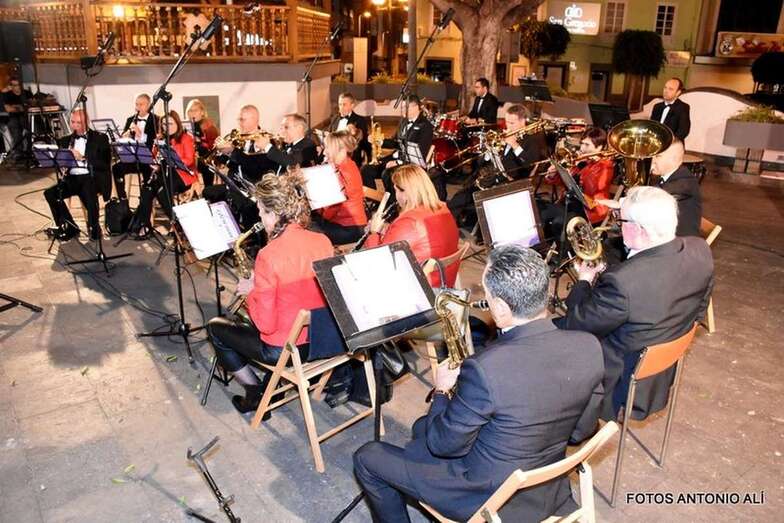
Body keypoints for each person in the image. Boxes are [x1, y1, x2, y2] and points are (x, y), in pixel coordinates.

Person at [353, 245, 604, 523]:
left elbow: (444, 447)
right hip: (547, 484)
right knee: (421, 427)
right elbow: (580, 432)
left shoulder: (487, 368)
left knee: (369, 457)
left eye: (488, 295)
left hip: (488, 497)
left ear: (500, 307)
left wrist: (441, 390)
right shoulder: (589, 346)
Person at [556, 186, 714, 422]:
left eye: (622, 220)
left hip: (619, 381)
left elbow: (575, 323)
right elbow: (699, 308)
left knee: (548, 336)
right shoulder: (700, 249)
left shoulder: (624, 282)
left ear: (639, 229)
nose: (618, 225)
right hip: (661, 368)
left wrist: (585, 281)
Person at [206, 171, 334, 414]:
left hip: (284, 349)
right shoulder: (323, 241)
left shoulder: (268, 254)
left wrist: (252, 291)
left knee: (215, 327)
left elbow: (265, 324)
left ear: (275, 213)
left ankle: (256, 393)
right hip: (320, 340)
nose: (261, 219)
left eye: (263, 213)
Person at [365, 164, 459, 287]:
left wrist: (373, 233)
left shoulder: (409, 222)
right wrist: (387, 229)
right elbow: (418, 237)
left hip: (419, 288)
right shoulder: (443, 208)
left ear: (406, 193)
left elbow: (379, 262)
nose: (396, 196)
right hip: (444, 281)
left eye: (396, 190)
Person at [202, 105, 276, 230]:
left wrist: (232, 151)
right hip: (235, 184)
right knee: (209, 192)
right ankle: (226, 231)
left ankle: (243, 234)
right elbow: (225, 162)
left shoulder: (265, 140)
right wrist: (220, 152)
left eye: (243, 119)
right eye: (239, 119)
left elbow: (254, 168)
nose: (239, 123)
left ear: (255, 120)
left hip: (253, 188)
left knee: (241, 204)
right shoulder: (238, 138)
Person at [44, 109, 111, 241]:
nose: (74, 126)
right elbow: (60, 164)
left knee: (89, 193)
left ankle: (94, 226)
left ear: (86, 122)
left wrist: (83, 158)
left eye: (78, 123)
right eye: (72, 122)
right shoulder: (65, 140)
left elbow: (104, 164)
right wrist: (62, 166)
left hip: (91, 177)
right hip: (72, 178)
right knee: (50, 194)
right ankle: (69, 227)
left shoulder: (100, 138)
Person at [539, 126, 614, 239]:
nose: (582, 148)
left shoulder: (605, 165)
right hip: (571, 203)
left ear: (599, 147)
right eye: (582, 143)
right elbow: (563, 183)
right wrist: (553, 174)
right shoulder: (582, 161)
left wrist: (582, 166)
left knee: (559, 223)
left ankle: (566, 253)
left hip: (591, 208)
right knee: (541, 210)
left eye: (587, 145)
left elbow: (592, 188)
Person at [135, 111, 197, 233]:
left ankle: (177, 224)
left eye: (170, 123)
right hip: (164, 173)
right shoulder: (160, 139)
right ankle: (146, 225)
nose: (166, 127)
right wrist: (154, 163)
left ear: (177, 123)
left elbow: (190, 161)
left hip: (182, 175)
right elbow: (153, 158)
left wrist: (173, 159)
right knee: (147, 189)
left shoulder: (186, 138)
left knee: (162, 191)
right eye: (164, 124)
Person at [360, 94, 433, 192]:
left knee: (387, 174)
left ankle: (392, 203)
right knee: (366, 169)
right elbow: (395, 142)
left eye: (404, 107)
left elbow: (420, 153)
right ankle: (376, 200)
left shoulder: (425, 126)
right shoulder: (403, 121)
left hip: (410, 164)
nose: (401, 110)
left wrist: (398, 162)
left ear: (415, 107)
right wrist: (379, 141)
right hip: (397, 158)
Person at [311, 130, 368, 244]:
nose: (324, 152)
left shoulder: (343, 171)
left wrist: (317, 211)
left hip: (349, 228)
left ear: (342, 150)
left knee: (305, 230)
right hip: (345, 222)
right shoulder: (345, 164)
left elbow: (334, 206)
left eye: (328, 148)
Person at [650, 140, 702, 237]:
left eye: (658, 156)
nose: (652, 159)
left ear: (673, 159)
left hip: (679, 244)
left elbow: (652, 199)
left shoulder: (685, 183)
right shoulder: (664, 177)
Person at [112, 93, 159, 200]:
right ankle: (122, 199)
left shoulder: (156, 120)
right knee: (116, 168)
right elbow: (122, 140)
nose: (138, 107)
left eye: (141, 104)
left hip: (148, 158)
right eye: (136, 104)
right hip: (132, 158)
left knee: (149, 173)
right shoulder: (130, 120)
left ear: (149, 105)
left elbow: (155, 141)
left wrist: (140, 134)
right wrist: (126, 135)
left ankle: (146, 200)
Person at [254, 113, 319, 174]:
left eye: (286, 127)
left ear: (299, 128)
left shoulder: (308, 144)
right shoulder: (287, 145)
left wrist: (267, 147)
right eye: (281, 128)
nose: (282, 131)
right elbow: (277, 163)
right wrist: (260, 148)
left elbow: (293, 163)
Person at [329, 92, 370, 166]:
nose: (341, 107)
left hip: (351, 155)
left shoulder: (360, 120)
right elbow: (329, 135)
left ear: (352, 106)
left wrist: (369, 159)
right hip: (334, 153)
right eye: (340, 104)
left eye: (344, 104)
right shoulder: (334, 119)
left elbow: (364, 142)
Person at [186, 98, 220, 187]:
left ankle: (208, 192)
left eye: (195, 110)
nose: (192, 113)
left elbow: (214, 148)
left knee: (206, 168)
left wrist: (199, 143)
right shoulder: (186, 126)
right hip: (191, 158)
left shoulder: (209, 127)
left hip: (206, 159)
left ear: (202, 112)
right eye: (190, 110)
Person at [1, 77, 32, 159]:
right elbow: (8, 109)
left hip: (26, 116)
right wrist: (20, 107)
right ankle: (18, 152)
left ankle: (31, 149)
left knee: (31, 126)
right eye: (14, 85)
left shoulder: (27, 93)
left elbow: (30, 106)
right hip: (12, 117)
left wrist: (16, 107)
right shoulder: (7, 95)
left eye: (18, 85)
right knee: (15, 127)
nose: (17, 87)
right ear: (11, 86)